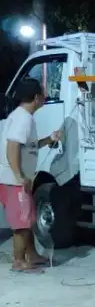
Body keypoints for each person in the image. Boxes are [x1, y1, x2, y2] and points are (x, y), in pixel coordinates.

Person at [0, 78, 61, 273]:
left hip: (17, 178)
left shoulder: (24, 116)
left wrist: (49, 140)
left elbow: (29, 146)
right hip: (14, 180)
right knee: (21, 222)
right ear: (36, 98)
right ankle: (19, 261)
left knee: (28, 218)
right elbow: (12, 147)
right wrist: (19, 177)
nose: (45, 96)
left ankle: (32, 255)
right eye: (43, 94)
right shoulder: (23, 119)